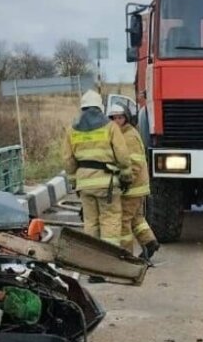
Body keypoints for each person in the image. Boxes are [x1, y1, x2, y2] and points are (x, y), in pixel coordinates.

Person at [65, 90, 131, 245]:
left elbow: (68, 160)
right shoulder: (110, 127)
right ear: (100, 107)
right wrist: (126, 177)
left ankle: (92, 256)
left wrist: (75, 182)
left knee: (90, 222)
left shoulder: (72, 130)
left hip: (84, 185)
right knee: (110, 221)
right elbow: (122, 155)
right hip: (106, 184)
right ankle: (110, 258)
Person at [108, 102, 160, 260]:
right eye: (113, 118)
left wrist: (125, 181)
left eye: (120, 117)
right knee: (136, 218)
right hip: (137, 187)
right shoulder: (123, 133)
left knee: (124, 219)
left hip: (132, 187)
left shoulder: (128, 136)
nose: (117, 121)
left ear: (126, 118)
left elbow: (135, 163)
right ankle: (150, 242)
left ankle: (126, 255)